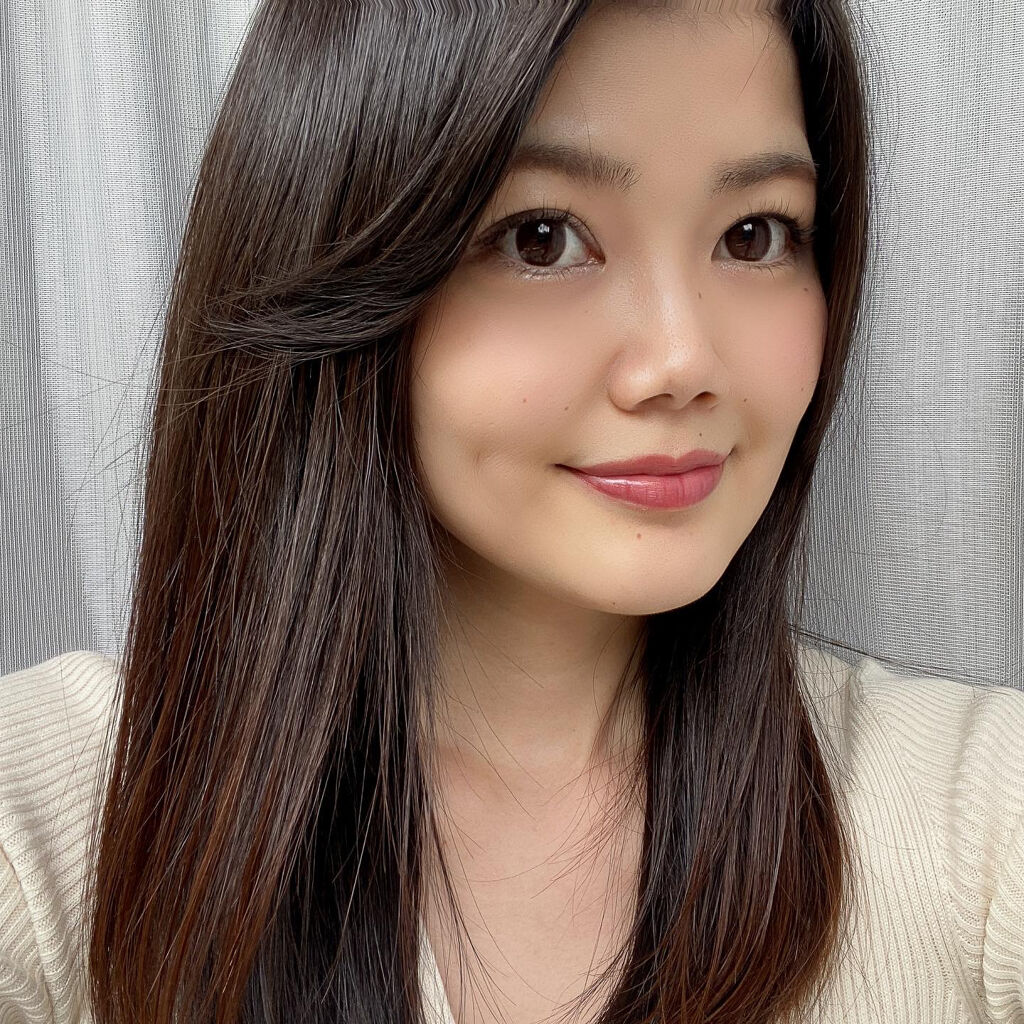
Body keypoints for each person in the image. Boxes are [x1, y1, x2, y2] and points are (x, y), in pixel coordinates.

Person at [1, 1, 1022, 1023]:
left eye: (753, 235)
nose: (682, 361)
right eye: (542, 239)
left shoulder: (975, 823)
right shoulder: (46, 831)